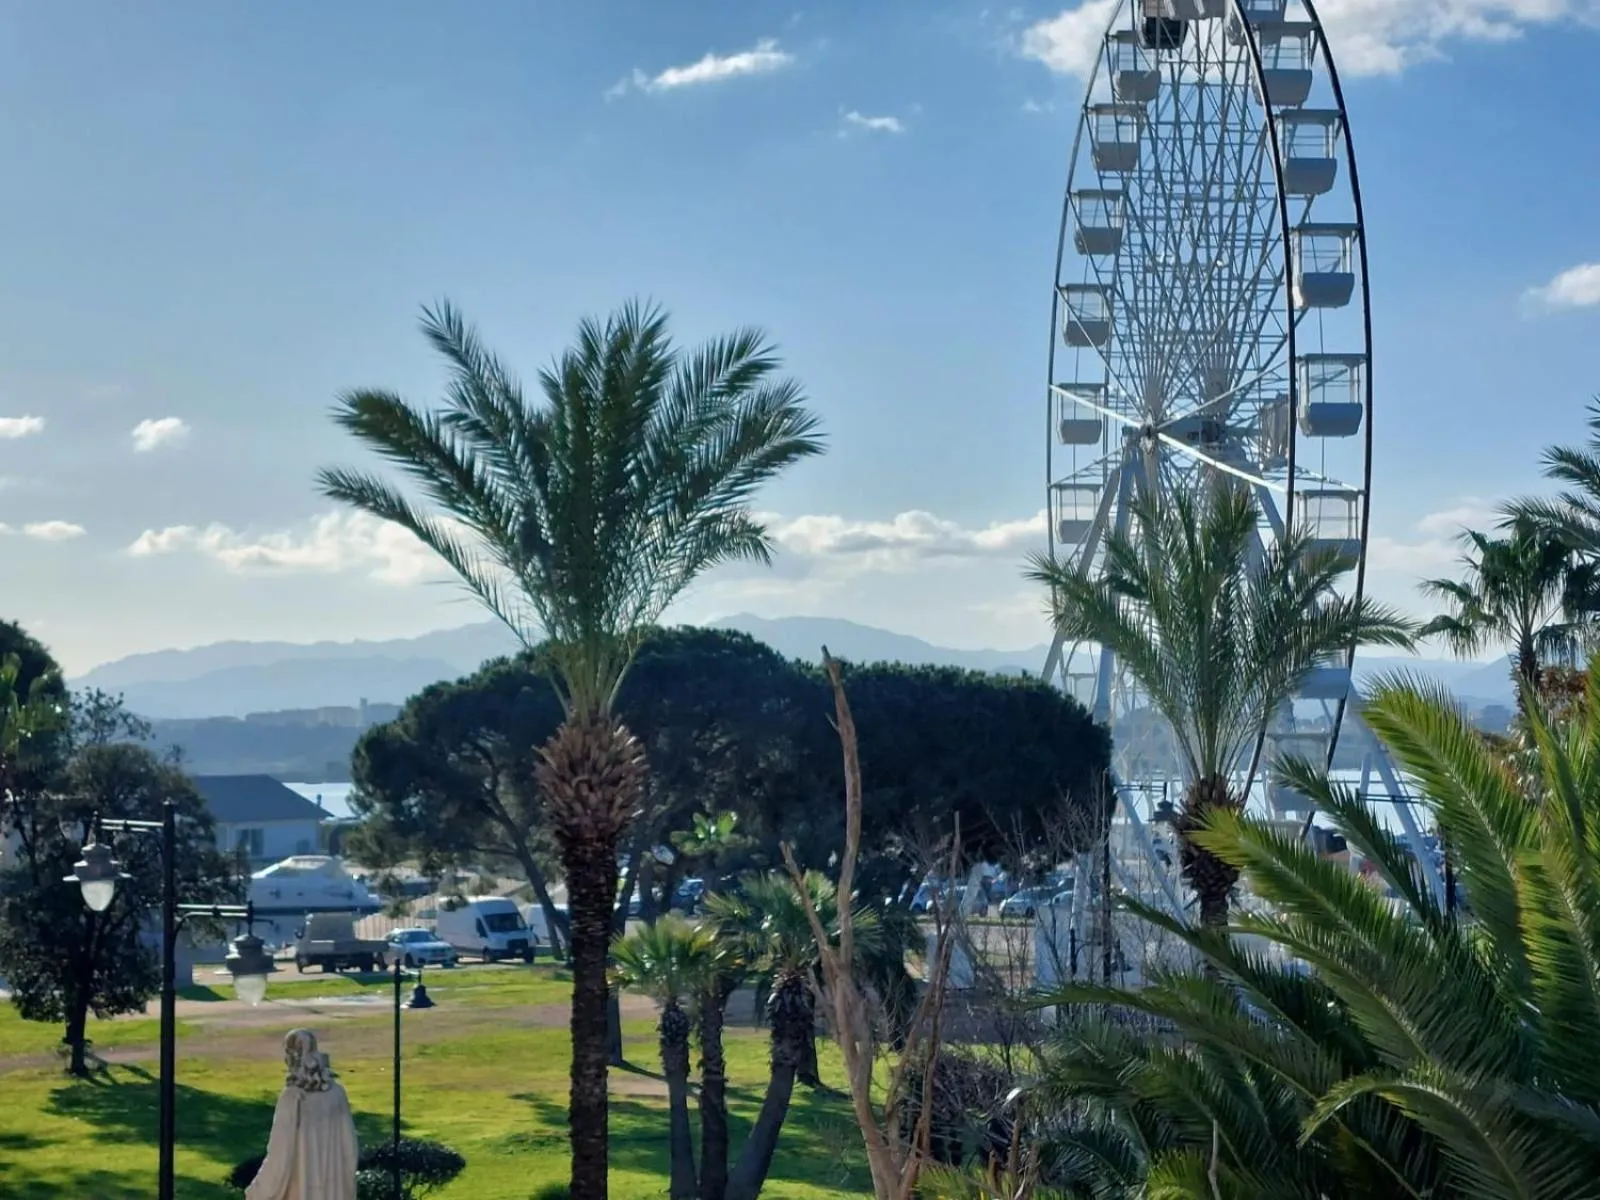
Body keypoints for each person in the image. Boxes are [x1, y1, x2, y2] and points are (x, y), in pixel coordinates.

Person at [245, 1028, 359, 1200]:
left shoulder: (292, 1098)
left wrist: (258, 1190)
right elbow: (350, 1150)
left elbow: (280, 1155)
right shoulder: (337, 1093)